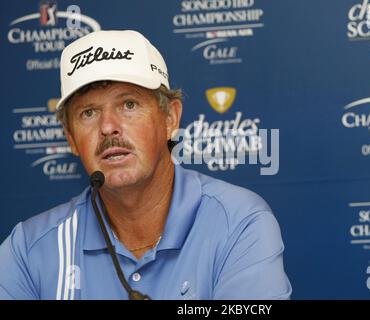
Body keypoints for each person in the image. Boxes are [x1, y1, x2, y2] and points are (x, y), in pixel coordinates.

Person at [0, 30, 291, 300]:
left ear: (170, 119)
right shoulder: (29, 250)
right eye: (88, 113)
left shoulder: (238, 223)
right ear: (71, 139)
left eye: (129, 105)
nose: (108, 127)